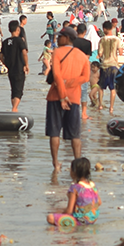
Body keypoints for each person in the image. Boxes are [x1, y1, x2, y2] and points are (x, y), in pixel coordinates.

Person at [46, 27, 90, 177]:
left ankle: (56, 164)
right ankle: (77, 164)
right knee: (75, 134)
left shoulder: (57, 52)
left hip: (56, 97)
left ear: (67, 38)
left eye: (60, 37)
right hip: (74, 98)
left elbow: (57, 75)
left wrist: (62, 94)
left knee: (54, 132)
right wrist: (70, 84)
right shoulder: (83, 56)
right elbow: (86, 77)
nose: (57, 40)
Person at [48, 157, 101, 227]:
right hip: (93, 219)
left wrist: (59, 211)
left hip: (80, 220)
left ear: (74, 172)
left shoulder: (75, 188)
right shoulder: (92, 185)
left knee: (50, 217)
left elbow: (69, 211)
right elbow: (99, 202)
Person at [1, 19, 29, 113]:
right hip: (19, 68)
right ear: (18, 29)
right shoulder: (19, 40)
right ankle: (14, 109)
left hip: (11, 69)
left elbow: (1, 55)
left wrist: (6, 64)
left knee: (13, 89)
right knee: (19, 90)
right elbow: (24, 53)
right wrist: (26, 64)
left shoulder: (5, 42)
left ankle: (14, 108)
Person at [98, 19, 122, 114]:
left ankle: (100, 105)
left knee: (101, 88)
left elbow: (100, 54)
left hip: (104, 65)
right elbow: (120, 52)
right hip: (114, 65)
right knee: (113, 89)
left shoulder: (102, 40)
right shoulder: (117, 39)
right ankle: (111, 108)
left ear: (104, 29)